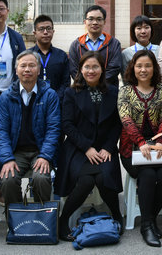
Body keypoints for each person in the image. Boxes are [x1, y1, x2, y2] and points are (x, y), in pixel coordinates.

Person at [55, 51, 123, 241]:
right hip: (78, 148)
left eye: (95, 67)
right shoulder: (71, 92)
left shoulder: (113, 92)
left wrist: (108, 147)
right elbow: (67, 124)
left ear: (102, 69)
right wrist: (87, 148)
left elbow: (117, 123)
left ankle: (116, 214)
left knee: (103, 178)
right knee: (85, 181)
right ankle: (63, 220)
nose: (91, 71)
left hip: (104, 148)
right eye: (87, 67)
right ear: (80, 69)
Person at [118, 50, 162, 247]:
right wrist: (141, 143)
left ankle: (148, 220)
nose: (143, 69)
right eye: (139, 66)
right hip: (132, 150)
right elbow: (126, 120)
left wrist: (160, 141)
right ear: (133, 68)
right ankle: (147, 226)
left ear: (154, 68)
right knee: (148, 176)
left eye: (148, 66)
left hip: (158, 149)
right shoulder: (125, 91)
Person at [0, 50, 60, 209]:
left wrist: (45, 156)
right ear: (16, 70)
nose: (27, 69)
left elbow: (53, 129)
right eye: (23, 66)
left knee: (41, 178)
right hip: (16, 152)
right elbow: (1, 131)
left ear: (38, 70)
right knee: (8, 179)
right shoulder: (6, 97)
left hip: (40, 151)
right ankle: (16, 218)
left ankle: (41, 217)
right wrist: (7, 159)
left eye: (32, 65)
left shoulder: (50, 95)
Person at [68, 5, 122, 87]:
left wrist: (97, 84)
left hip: (107, 90)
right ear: (85, 22)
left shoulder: (114, 44)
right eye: (91, 19)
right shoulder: (76, 45)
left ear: (104, 22)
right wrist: (88, 84)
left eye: (99, 19)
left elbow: (114, 68)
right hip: (83, 90)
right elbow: (74, 70)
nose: (95, 22)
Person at [29, 15, 70, 102]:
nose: (45, 32)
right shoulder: (28, 55)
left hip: (57, 102)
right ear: (35, 33)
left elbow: (66, 82)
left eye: (48, 29)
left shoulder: (62, 55)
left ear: (53, 31)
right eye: (41, 29)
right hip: (33, 102)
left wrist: (55, 98)